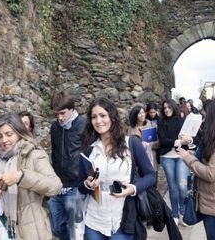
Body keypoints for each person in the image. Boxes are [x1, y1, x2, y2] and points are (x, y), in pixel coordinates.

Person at [0, 113, 62, 239]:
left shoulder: (34, 155)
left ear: (19, 133)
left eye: (9, 134)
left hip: (31, 231)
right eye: (0, 136)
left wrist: (21, 177)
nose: (4, 140)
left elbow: (55, 186)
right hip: (0, 229)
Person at [78, 97, 156, 239]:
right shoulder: (89, 150)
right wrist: (87, 184)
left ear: (112, 117)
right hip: (94, 221)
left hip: (122, 219)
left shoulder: (131, 143)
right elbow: (81, 185)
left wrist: (133, 188)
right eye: (94, 117)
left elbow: (151, 176)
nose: (98, 121)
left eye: (103, 115)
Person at [177, 98, 215, 240]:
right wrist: (194, 155)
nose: (204, 121)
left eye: (206, 117)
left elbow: (211, 173)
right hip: (211, 203)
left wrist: (188, 158)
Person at [48, 90, 87, 240]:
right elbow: (55, 154)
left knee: (75, 232)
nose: (60, 117)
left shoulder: (84, 124)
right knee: (56, 228)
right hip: (57, 186)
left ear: (72, 108)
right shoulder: (54, 128)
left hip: (75, 187)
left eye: (63, 113)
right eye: (57, 114)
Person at [157, 99, 195, 226]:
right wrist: (179, 142)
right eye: (164, 108)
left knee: (182, 186)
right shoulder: (161, 122)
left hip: (181, 156)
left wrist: (188, 140)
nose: (167, 110)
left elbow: (191, 138)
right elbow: (163, 141)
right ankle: (174, 214)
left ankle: (183, 213)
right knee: (172, 187)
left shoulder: (181, 120)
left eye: (169, 107)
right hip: (167, 157)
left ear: (174, 107)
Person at [127, 105, 159, 169]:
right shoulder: (130, 129)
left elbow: (158, 143)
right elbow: (129, 145)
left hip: (151, 158)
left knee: (153, 177)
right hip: (137, 159)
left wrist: (148, 145)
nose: (142, 115)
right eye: (139, 113)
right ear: (135, 115)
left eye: (143, 112)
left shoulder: (152, 125)